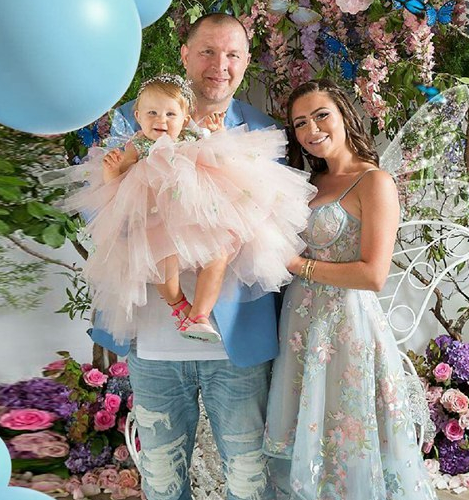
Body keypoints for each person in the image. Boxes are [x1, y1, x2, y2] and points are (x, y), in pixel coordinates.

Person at [93, 13, 296, 500]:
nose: (220, 65)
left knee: (248, 477)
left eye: (232, 54)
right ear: (185, 55)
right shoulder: (136, 123)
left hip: (234, 344)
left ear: (246, 60)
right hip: (155, 342)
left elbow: (278, 234)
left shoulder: (260, 130)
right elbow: (103, 217)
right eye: (208, 51)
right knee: (162, 476)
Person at [263, 79, 462, 500]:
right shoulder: (306, 185)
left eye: (320, 115)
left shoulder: (374, 182)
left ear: (344, 114)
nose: (311, 130)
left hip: (350, 336)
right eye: (300, 123)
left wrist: (298, 265)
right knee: (326, 460)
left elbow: (373, 275)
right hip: (303, 336)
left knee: (370, 457)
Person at [56, 72, 313, 345]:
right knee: (161, 269)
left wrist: (218, 134)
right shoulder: (136, 146)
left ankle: (200, 314)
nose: (161, 120)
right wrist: (112, 170)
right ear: (138, 116)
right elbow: (116, 187)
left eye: (170, 114)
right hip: (155, 220)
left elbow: (222, 160)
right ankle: (180, 307)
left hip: (196, 218)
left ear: (185, 117)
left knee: (218, 256)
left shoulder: (193, 139)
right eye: (152, 113)